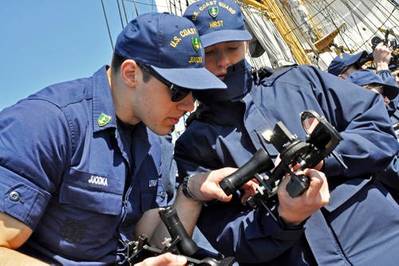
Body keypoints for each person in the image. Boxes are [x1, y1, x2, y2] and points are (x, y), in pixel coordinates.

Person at [0, 12, 235, 265]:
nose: (189, 105)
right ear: (131, 73)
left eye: (196, 93)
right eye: (178, 90)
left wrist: (191, 192)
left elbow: (151, 239)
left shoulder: (156, 143)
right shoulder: (46, 124)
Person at [175, 0, 399, 265]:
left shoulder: (302, 81)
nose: (224, 61)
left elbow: (378, 130)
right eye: (210, 53)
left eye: (233, 48)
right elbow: (229, 235)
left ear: (248, 44)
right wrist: (284, 218)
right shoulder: (194, 145)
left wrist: (325, 158)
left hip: (385, 240)